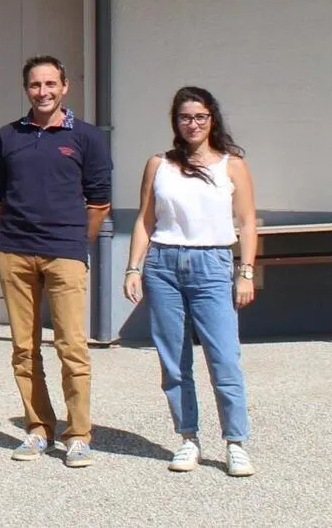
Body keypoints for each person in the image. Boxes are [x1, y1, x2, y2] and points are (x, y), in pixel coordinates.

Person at [122, 86, 258, 477]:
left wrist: (246, 272)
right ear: (175, 122)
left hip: (212, 263)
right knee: (174, 360)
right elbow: (146, 219)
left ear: (212, 119)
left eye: (200, 117)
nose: (193, 124)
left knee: (224, 358)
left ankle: (235, 443)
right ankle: (188, 438)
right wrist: (133, 267)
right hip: (163, 263)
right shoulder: (159, 164)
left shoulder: (231, 165)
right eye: (185, 117)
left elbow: (248, 222)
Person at [0, 55, 112, 468]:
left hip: (65, 252)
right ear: (26, 88)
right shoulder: (8, 136)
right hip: (14, 251)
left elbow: (99, 200)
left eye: (50, 84)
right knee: (24, 348)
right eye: (35, 85)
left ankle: (78, 435)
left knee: (71, 346)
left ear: (65, 86)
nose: (43, 92)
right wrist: (17, 233)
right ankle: (38, 428)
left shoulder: (87, 137)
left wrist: (76, 241)